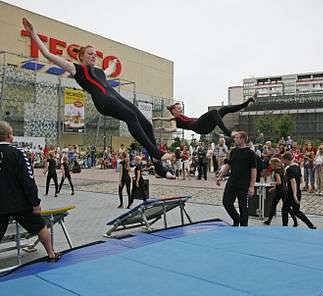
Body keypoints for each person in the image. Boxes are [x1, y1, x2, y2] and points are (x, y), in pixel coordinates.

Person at [22, 18, 174, 180]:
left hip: (115, 97)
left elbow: (108, 71)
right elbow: (47, 54)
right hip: (104, 101)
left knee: (147, 124)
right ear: (81, 57)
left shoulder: (101, 72)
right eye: (90, 54)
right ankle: (156, 152)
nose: (94, 56)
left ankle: (159, 167)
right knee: (130, 116)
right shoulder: (77, 68)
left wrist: (113, 65)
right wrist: (33, 34)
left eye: (95, 54)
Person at [0, 121, 61, 262]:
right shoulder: (18, 153)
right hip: (19, 203)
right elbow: (28, 180)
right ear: (9, 135)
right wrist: (35, 203)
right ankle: (51, 254)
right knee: (41, 227)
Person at [156, 93, 256, 137]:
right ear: (174, 111)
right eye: (178, 109)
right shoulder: (174, 119)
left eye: (180, 109)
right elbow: (172, 128)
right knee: (213, 112)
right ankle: (228, 133)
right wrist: (161, 129)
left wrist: (158, 118)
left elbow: (166, 119)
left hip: (205, 126)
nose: (180, 110)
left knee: (224, 109)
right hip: (199, 127)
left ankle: (246, 103)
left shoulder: (176, 117)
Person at [216, 131, 257, 226]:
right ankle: (236, 218)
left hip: (244, 184)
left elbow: (253, 170)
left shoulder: (250, 153)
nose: (235, 139)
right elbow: (228, 165)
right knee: (226, 202)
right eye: (235, 137)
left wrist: (252, 186)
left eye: (237, 137)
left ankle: (243, 228)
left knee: (243, 208)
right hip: (232, 182)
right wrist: (220, 176)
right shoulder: (234, 151)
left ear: (242, 139)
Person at [281, 152, 316, 229]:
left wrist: (294, 194)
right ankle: (311, 225)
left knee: (284, 210)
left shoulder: (289, 169)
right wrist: (297, 191)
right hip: (297, 191)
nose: (282, 161)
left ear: (286, 160)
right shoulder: (297, 166)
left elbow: (293, 181)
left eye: (283, 160)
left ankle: (284, 227)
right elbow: (300, 180)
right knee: (296, 211)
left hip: (291, 192)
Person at [263, 158, 297, 226]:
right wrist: (273, 188)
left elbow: (279, 182)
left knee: (274, 206)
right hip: (283, 190)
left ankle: (269, 221)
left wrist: (272, 183)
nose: (270, 166)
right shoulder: (282, 170)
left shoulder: (276, 172)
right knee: (285, 207)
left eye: (271, 164)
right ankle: (295, 221)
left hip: (280, 191)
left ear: (274, 164)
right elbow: (282, 182)